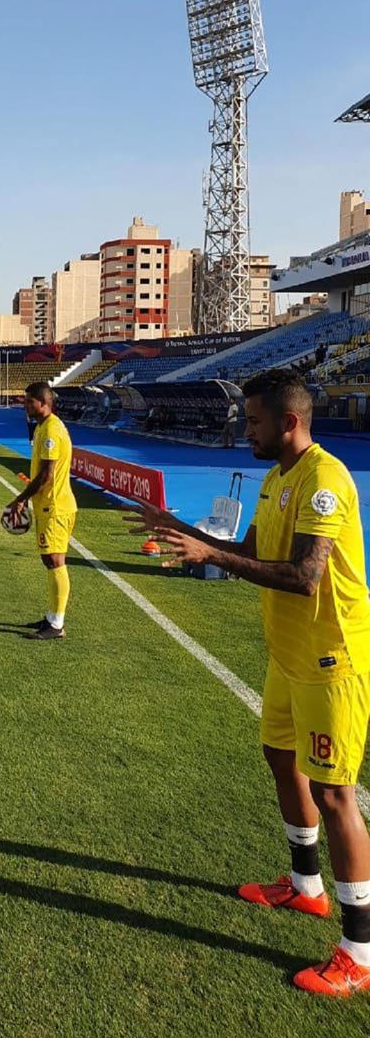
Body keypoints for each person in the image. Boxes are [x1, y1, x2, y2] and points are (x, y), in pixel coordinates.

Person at [136, 368, 370, 997]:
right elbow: (249, 550)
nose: (247, 429)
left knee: (337, 796)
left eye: (255, 421)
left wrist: (211, 558)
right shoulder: (278, 478)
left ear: (289, 422)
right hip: (288, 657)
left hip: (331, 659)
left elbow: (303, 576)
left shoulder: (323, 480)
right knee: (279, 758)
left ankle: (360, 952)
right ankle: (306, 889)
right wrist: (182, 529)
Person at [8, 382, 77, 641]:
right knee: (49, 560)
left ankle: (57, 624)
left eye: (29, 402)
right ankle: (52, 616)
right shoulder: (42, 427)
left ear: (43, 403)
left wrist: (22, 498)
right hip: (49, 505)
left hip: (56, 506)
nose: (25, 406)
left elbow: (47, 475)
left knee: (55, 561)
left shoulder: (51, 431)